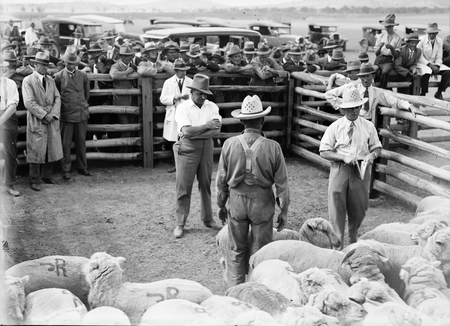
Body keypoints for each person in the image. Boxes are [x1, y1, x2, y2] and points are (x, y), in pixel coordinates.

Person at [216, 94, 289, 287]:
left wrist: (220, 205)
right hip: (262, 203)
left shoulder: (229, 144)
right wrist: (284, 211)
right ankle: (258, 288)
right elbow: (282, 183)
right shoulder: (273, 147)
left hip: (236, 201)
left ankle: (236, 290)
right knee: (260, 251)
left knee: (236, 249)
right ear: (262, 121)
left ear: (241, 120)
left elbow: (221, 179)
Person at [320, 87, 382, 248]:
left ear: (361, 107)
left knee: (360, 207)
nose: (354, 110)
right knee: (336, 205)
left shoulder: (368, 126)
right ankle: (337, 245)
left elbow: (377, 147)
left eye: (357, 107)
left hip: (361, 169)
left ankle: (353, 239)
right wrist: (342, 157)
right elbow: (324, 151)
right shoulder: (335, 127)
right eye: (350, 108)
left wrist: (371, 156)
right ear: (342, 109)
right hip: (340, 168)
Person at [173, 74, 222, 238]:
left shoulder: (212, 106)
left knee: (205, 183)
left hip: (206, 147)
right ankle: (180, 223)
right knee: (183, 186)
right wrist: (207, 126)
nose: (202, 96)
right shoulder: (183, 107)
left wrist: (197, 132)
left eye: (204, 93)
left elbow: (217, 131)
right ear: (192, 91)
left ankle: (208, 219)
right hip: (187, 148)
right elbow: (186, 131)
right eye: (199, 93)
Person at [22, 52, 63, 191]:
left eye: (47, 65)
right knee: (36, 148)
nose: (46, 68)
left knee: (49, 147)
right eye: (43, 65)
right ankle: (34, 179)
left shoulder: (51, 80)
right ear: (35, 65)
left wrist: (52, 114)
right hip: (37, 119)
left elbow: (57, 98)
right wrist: (44, 115)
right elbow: (29, 102)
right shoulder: (28, 81)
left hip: (50, 119)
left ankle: (47, 176)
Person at [325, 63, 421, 122]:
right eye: (363, 77)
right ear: (360, 77)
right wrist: (343, 106)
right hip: (351, 121)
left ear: (373, 77)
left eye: (368, 76)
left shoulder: (377, 92)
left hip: (368, 123)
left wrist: (409, 106)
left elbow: (395, 101)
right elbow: (329, 95)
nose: (365, 80)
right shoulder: (352, 87)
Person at [54, 47, 91, 181]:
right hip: (67, 114)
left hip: (81, 112)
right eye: (69, 63)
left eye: (74, 63)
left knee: (81, 141)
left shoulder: (83, 75)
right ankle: (66, 170)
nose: (71, 65)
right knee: (66, 143)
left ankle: (82, 167)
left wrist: (82, 105)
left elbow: (86, 95)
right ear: (64, 62)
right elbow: (56, 96)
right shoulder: (58, 77)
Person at [159, 59, 192, 173]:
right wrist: (174, 98)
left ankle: (186, 164)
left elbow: (196, 97)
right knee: (174, 141)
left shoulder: (190, 82)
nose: (184, 73)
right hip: (173, 112)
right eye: (182, 71)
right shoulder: (168, 82)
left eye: (185, 71)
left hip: (186, 113)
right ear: (176, 71)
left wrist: (189, 99)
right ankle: (176, 164)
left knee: (186, 139)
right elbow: (163, 99)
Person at [109, 43, 140, 152]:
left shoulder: (134, 66)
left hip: (133, 101)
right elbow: (113, 75)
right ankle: (124, 154)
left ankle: (130, 154)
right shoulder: (116, 66)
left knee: (132, 128)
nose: (127, 58)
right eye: (125, 56)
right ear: (120, 56)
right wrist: (127, 73)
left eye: (129, 55)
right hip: (120, 102)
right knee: (125, 127)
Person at [0, 62, 21, 196]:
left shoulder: (10, 84)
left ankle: (9, 183)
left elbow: (12, 106)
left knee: (10, 151)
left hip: (7, 116)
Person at [417, 23, 450, 100]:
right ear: (427, 33)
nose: (431, 35)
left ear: (437, 33)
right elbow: (419, 55)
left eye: (433, 34)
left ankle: (439, 92)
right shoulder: (421, 40)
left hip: (435, 63)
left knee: (448, 72)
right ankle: (423, 94)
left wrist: (437, 65)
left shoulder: (439, 41)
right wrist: (430, 65)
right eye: (430, 33)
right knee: (427, 72)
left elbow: (439, 55)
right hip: (423, 63)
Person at [374, 14, 403, 89]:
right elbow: (376, 53)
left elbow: (396, 55)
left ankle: (383, 90)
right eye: (386, 26)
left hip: (388, 60)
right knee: (373, 72)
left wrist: (392, 48)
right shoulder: (380, 36)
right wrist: (380, 46)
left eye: (389, 26)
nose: (387, 28)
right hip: (378, 59)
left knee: (385, 72)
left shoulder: (398, 38)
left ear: (393, 26)